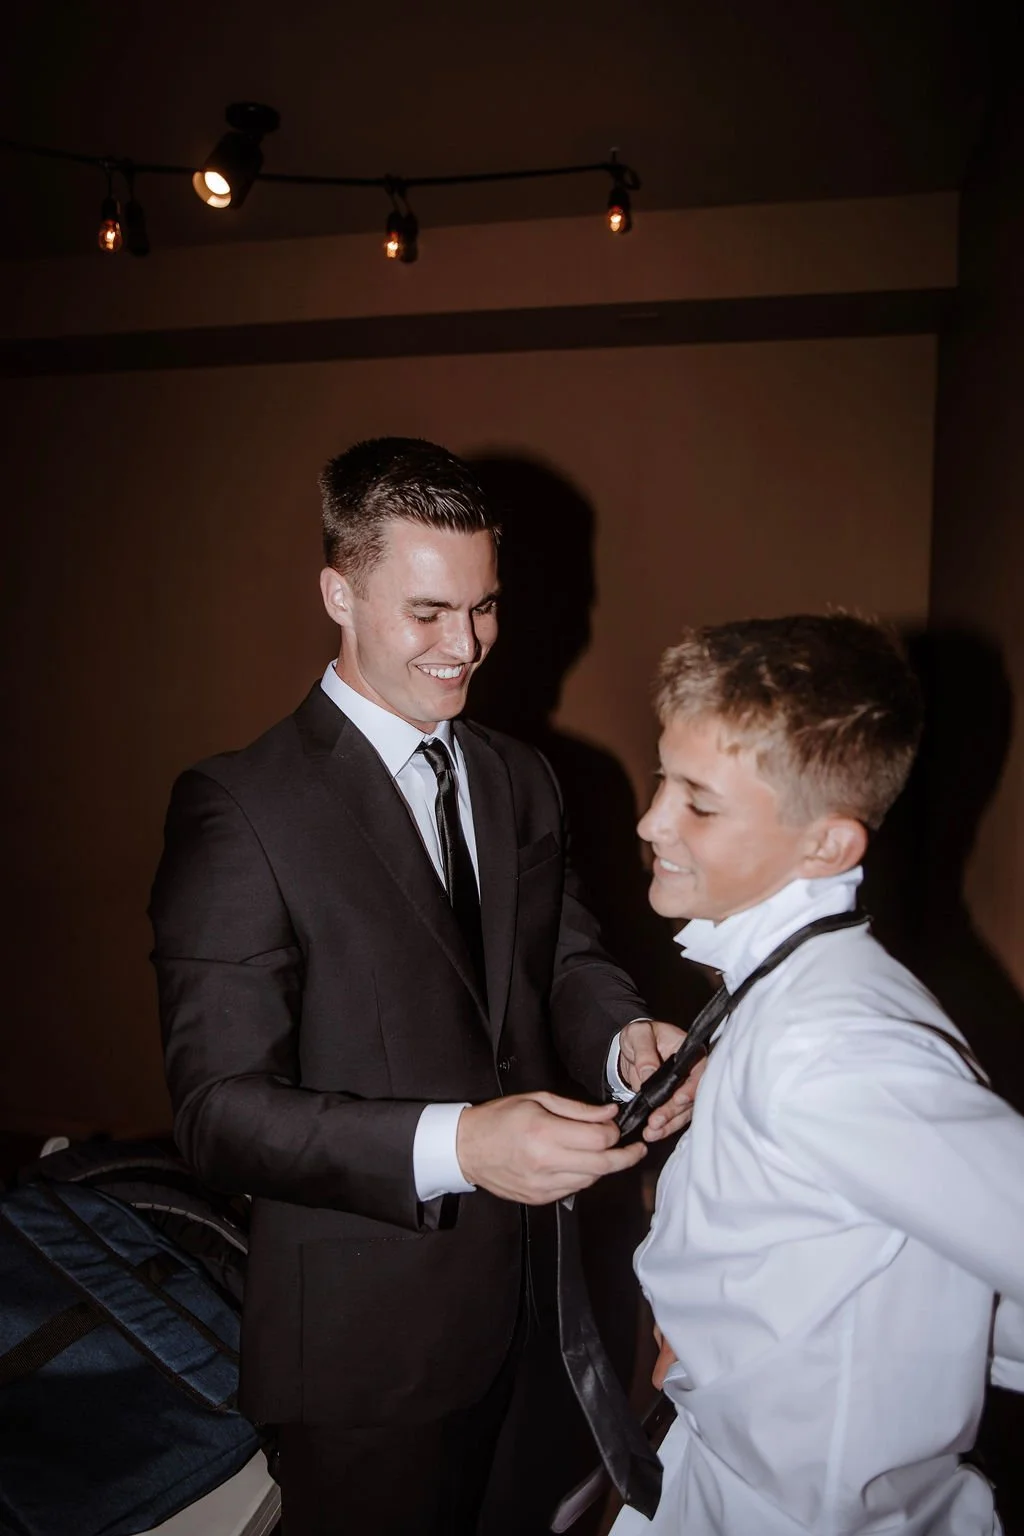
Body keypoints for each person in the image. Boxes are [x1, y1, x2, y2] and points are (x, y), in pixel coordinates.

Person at [149, 437, 693, 1536]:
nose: (468, 646)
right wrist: (462, 1147)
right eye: (430, 613)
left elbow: (561, 961)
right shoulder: (239, 808)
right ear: (338, 592)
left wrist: (625, 1038)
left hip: (543, 1309)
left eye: (484, 608)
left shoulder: (520, 775)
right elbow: (217, 1114)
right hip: (365, 1351)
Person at [611, 614, 1024, 1536]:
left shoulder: (829, 1051)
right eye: (661, 778)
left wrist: (939, 1353)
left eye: (698, 801)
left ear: (827, 846)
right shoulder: (780, 992)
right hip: (713, 1472)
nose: (651, 820)